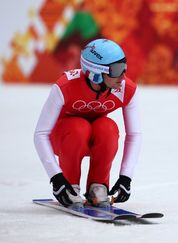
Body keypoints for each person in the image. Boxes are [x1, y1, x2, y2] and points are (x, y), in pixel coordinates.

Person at [34, 39, 142, 208]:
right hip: (63, 139)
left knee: (108, 127)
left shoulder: (126, 89)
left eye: (124, 68)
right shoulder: (65, 86)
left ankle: (97, 187)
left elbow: (134, 135)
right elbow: (40, 134)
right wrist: (56, 177)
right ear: (96, 72)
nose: (123, 76)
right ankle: (71, 187)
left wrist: (125, 177)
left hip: (94, 138)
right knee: (78, 127)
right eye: (117, 70)